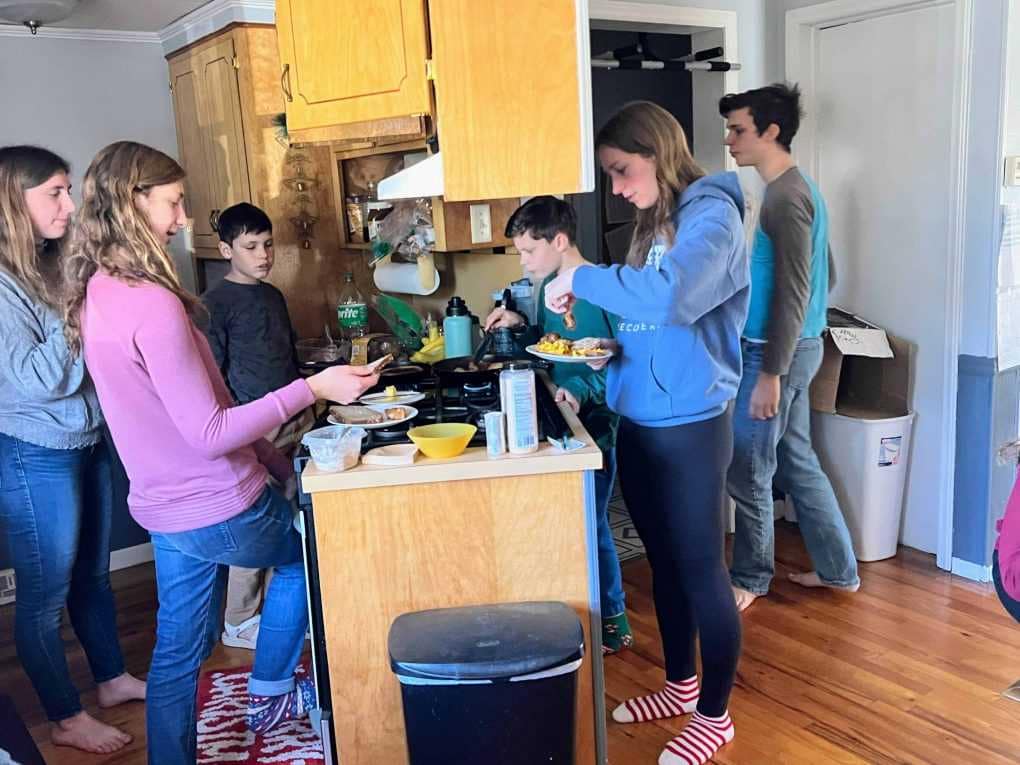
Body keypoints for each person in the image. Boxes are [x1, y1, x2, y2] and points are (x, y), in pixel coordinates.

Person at [62, 141, 380, 765]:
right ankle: (267, 693)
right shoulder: (153, 302)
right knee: (303, 560)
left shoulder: (98, 291)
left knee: (178, 655)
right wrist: (311, 388)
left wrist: (270, 453)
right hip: (215, 503)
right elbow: (209, 431)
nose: (183, 219)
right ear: (133, 202)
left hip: (163, 508)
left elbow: (196, 402)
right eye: (174, 203)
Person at [545, 101, 748, 765]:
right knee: (662, 566)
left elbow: (669, 297)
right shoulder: (649, 223)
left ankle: (715, 716)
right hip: (639, 418)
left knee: (701, 571)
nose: (617, 186)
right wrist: (608, 346)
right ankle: (680, 684)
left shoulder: (712, 214)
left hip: (692, 424)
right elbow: (647, 319)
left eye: (621, 170)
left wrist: (579, 272)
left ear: (658, 153)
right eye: (609, 174)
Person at [0, 145, 145, 755]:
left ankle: (110, 680)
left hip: (85, 441)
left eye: (68, 189)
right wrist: (79, 307)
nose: (70, 203)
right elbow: (37, 379)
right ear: (14, 203)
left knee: (94, 576)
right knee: (43, 597)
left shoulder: (54, 263)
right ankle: (64, 715)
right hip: (35, 452)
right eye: (55, 193)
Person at [719, 84, 860, 612]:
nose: (730, 140)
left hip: (774, 355)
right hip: (798, 347)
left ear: (771, 131)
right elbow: (829, 273)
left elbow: (796, 289)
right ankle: (839, 570)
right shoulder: (799, 190)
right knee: (795, 459)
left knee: (749, 467)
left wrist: (770, 373)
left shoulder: (785, 197)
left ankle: (752, 577)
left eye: (739, 129)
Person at [484, 195, 632, 654]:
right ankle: (574, 616)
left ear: (560, 241)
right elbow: (558, 345)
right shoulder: (553, 289)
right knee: (568, 520)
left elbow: (617, 361)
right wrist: (520, 325)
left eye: (529, 250)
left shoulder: (603, 289)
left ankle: (614, 622)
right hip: (565, 413)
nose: (524, 260)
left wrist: (581, 393)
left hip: (599, 423)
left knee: (592, 523)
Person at [202, 202, 314, 650]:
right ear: (227, 249)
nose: (263, 255)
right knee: (255, 522)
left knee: (292, 517)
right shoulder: (213, 305)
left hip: (295, 419)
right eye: (251, 247)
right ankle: (239, 618)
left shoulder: (273, 295)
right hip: (254, 427)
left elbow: (281, 354)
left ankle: (276, 608)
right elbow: (214, 377)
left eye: (267, 244)